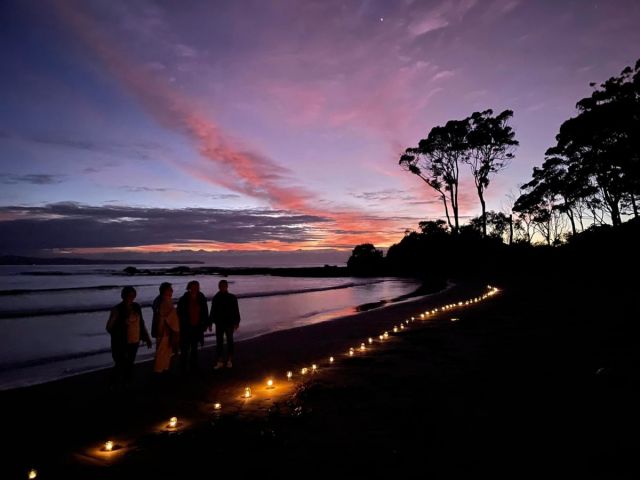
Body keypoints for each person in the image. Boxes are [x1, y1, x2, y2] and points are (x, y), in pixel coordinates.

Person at [106, 286, 152, 388]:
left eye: (132, 295)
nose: (130, 297)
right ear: (123, 296)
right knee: (120, 363)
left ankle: (127, 383)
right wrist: (122, 325)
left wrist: (146, 337)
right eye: (128, 295)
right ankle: (114, 383)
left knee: (130, 363)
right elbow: (109, 328)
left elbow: (141, 323)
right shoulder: (117, 309)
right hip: (121, 342)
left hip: (134, 340)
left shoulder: (136, 307)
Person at [176, 280, 209, 374]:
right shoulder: (184, 299)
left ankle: (193, 366)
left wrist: (205, 323)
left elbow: (205, 311)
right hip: (186, 327)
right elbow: (179, 313)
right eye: (193, 287)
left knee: (194, 348)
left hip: (197, 327)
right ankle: (183, 368)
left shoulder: (201, 297)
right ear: (189, 288)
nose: (195, 289)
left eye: (196, 287)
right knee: (185, 349)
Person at [209, 279, 241, 369]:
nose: (222, 287)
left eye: (224, 286)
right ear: (219, 287)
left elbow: (236, 310)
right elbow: (212, 311)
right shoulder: (216, 298)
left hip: (229, 323)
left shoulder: (232, 297)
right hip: (219, 323)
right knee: (219, 342)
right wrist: (210, 322)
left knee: (230, 341)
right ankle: (220, 361)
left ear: (227, 286)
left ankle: (229, 360)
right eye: (221, 286)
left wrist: (237, 322)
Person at [152, 282, 180, 375]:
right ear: (165, 290)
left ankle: (161, 369)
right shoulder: (165, 300)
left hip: (159, 329)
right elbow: (170, 317)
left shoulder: (158, 299)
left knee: (162, 351)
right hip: (165, 330)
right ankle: (160, 370)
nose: (172, 291)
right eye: (170, 289)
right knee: (163, 351)